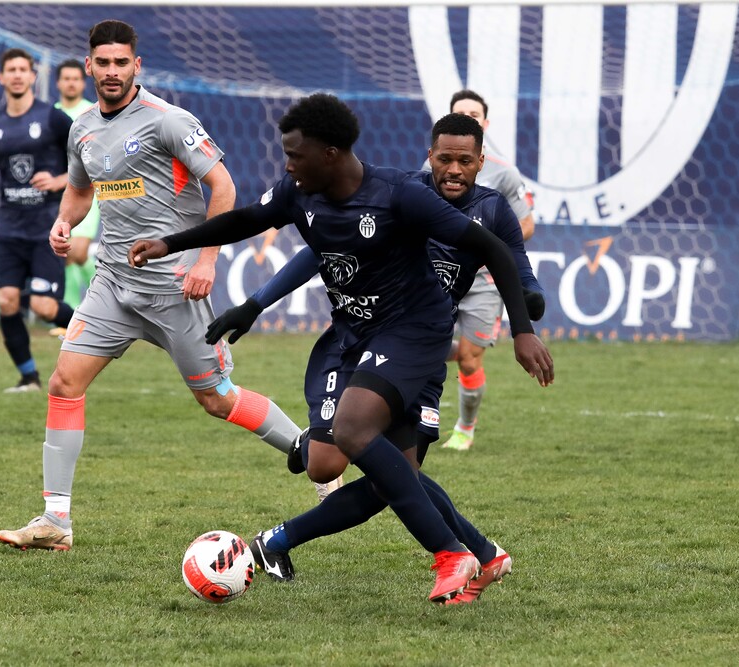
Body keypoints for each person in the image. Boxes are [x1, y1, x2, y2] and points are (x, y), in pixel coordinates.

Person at [129, 93, 554, 603]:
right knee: (352, 466)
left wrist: (523, 327)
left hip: (413, 332)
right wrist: (179, 249)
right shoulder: (302, 192)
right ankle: (480, 551)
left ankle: (449, 553)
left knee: (358, 436)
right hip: (353, 335)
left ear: (329, 153)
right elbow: (251, 222)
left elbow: (495, 250)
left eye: (295, 155)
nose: (287, 165)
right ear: (430, 155)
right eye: (444, 158)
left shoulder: (402, 195)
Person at [0, 20, 302, 552]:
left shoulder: (169, 120)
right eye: (103, 63)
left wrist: (207, 260)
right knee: (64, 383)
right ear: (89, 66)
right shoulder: (82, 127)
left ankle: (311, 451)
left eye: (122, 63)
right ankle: (55, 520)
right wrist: (64, 221)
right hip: (113, 283)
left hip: (175, 287)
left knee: (217, 399)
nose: (112, 72)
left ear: (136, 66)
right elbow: (80, 190)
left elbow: (224, 187)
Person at [431, 89, 538, 451]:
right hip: (438, 276)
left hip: (485, 281)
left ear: (485, 123)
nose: (468, 118)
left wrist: (485, 243)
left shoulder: (504, 174)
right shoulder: (430, 171)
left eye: (474, 115)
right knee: (423, 345)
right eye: (460, 113)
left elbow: (526, 225)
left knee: (469, 358)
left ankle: (465, 428)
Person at [0, 48, 77, 393]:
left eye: (22, 69)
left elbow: (87, 160)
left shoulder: (54, 118)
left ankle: (98, 327)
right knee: (6, 300)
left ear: (32, 76)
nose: (16, 75)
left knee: (44, 307)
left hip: (46, 228)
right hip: (9, 230)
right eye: (10, 70)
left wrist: (59, 181)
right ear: (1, 77)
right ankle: (29, 378)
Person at [53, 60, 99, 313]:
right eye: (66, 78)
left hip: (86, 192)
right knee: (65, 254)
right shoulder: (50, 114)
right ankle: (70, 314)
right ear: (58, 83)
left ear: (83, 83)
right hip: (56, 196)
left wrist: (63, 179)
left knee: (78, 252)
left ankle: (108, 300)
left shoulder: (92, 113)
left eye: (76, 78)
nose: (71, 83)